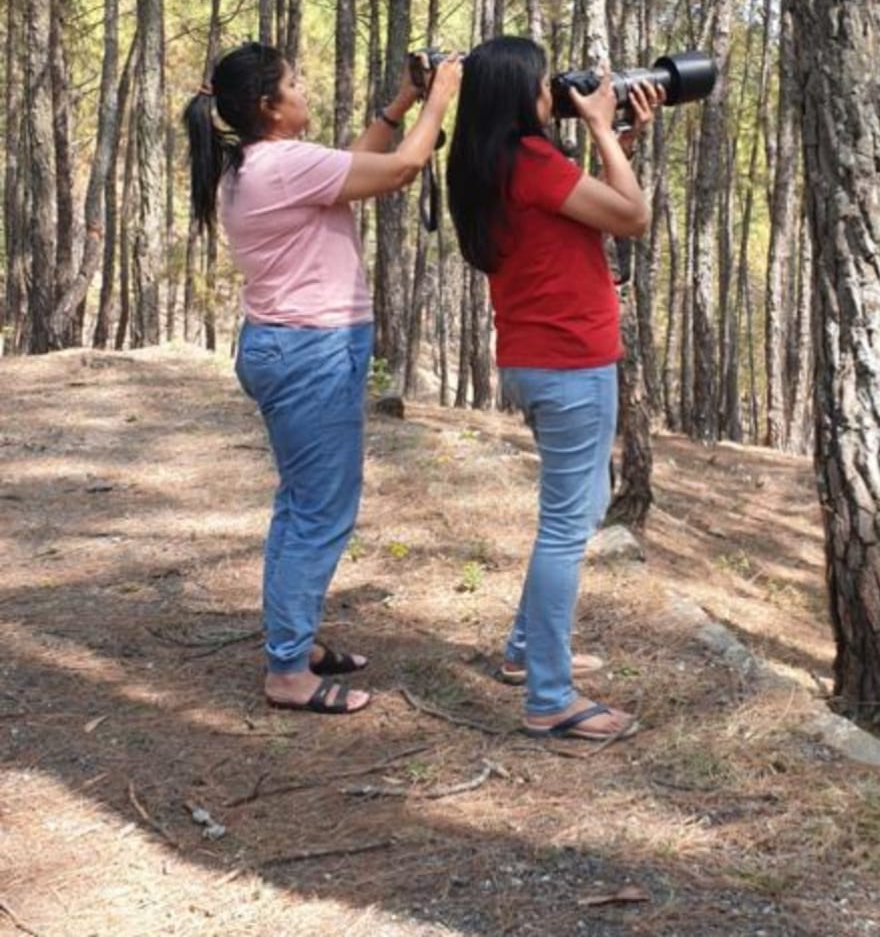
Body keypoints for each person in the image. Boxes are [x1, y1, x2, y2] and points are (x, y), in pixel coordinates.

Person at [184, 41, 462, 715]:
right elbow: (401, 169)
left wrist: (403, 102)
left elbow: (359, 166)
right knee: (319, 513)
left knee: (299, 506)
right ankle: (287, 672)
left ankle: (294, 641)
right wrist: (441, 96)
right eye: (295, 83)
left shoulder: (259, 163)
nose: (304, 90)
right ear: (269, 106)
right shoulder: (283, 166)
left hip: (288, 347)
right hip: (311, 354)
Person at [446, 36, 654, 742]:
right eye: (544, 85)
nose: (552, 95)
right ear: (519, 96)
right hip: (570, 363)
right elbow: (632, 217)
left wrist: (618, 139)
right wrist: (600, 127)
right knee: (567, 527)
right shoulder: (533, 160)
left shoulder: (490, 161)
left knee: (580, 508)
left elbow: (590, 208)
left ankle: (526, 650)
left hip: (536, 359)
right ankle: (550, 697)